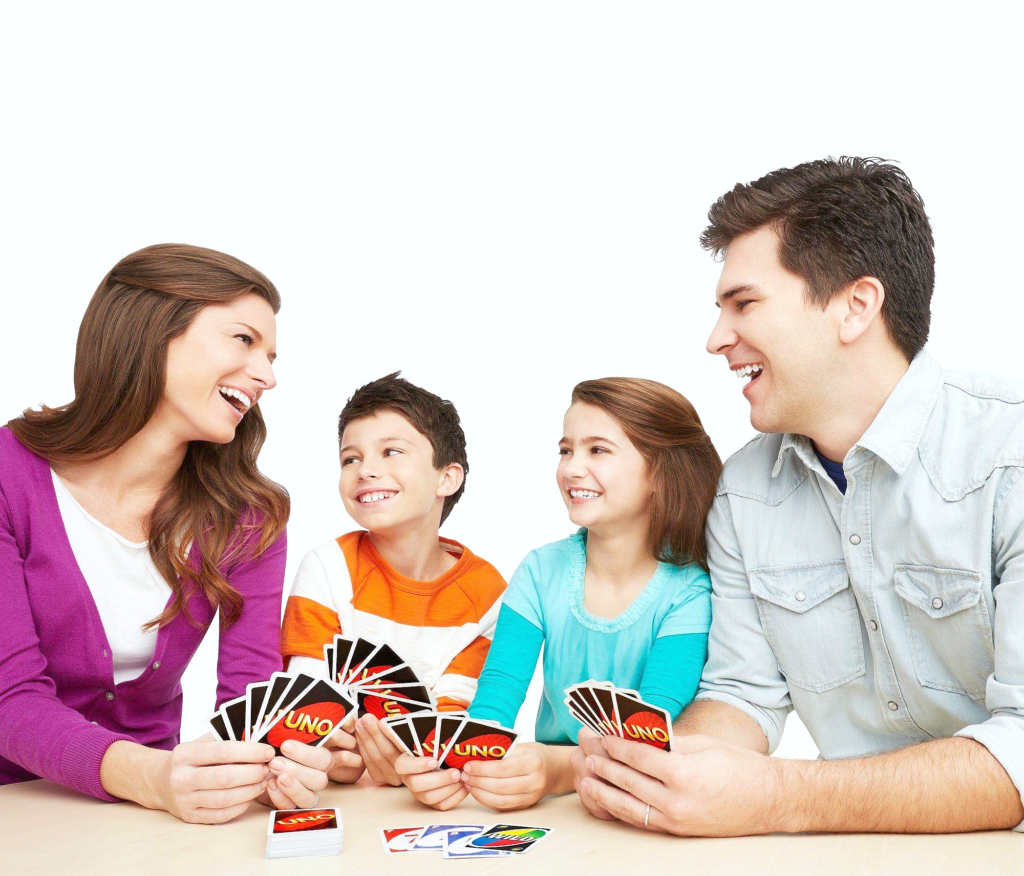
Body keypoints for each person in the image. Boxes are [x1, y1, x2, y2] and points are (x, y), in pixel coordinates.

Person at [571, 157, 1024, 835]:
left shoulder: (1010, 457)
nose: (716, 339)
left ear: (855, 306)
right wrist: (660, 773)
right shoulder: (746, 492)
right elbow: (743, 695)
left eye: (744, 303)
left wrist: (782, 797)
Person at [0, 244, 329, 823]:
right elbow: (9, 698)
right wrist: (150, 776)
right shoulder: (9, 477)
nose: (268, 376)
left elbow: (249, 700)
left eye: (272, 355)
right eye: (244, 340)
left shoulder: (250, 516)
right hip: (19, 809)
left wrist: (269, 762)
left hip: (154, 819)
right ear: (153, 330)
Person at [396, 377, 720, 812]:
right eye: (566, 450)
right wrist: (457, 764)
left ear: (660, 472)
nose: (571, 468)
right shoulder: (540, 570)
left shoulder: (689, 591)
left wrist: (555, 769)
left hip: (645, 799)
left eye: (598, 450)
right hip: (558, 802)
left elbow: (649, 730)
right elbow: (498, 695)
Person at [279, 372, 507, 786]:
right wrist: (335, 751)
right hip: (333, 791)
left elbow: (454, 725)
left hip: (429, 796)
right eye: (351, 458)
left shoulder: (487, 594)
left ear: (447, 478)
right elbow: (305, 704)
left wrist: (418, 764)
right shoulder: (329, 568)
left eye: (391, 452)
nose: (366, 470)